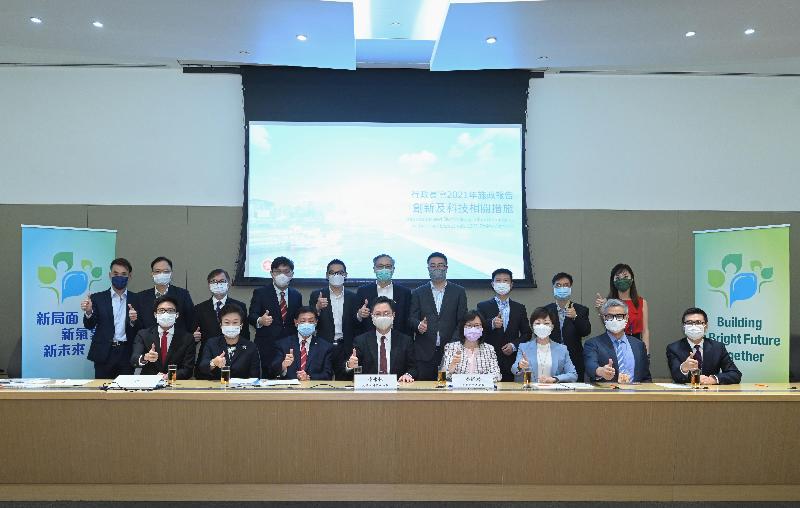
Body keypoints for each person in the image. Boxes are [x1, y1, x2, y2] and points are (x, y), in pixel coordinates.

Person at [409, 252, 467, 380]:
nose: (437, 268)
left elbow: (462, 321)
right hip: (424, 352)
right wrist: (418, 325)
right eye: (433, 266)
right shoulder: (418, 292)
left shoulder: (459, 292)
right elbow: (411, 318)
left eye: (440, 265)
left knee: (448, 390)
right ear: (428, 268)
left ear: (446, 267)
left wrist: (452, 344)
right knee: (424, 391)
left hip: (451, 351)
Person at [81, 258, 141, 378]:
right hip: (104, 353)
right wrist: (88, 312)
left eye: (124, 274)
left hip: (127, 353)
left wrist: (134, 321)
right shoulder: (97, 298)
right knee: (102, 392)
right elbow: (89, 325)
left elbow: (142, 329)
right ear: (110, 275)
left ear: (130, 276)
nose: (119, 277)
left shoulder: (137, 299)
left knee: (125, 392)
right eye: (116, 274)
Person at [248, 256, 303, 375]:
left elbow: (298, 319)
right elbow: (251, 315)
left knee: (289, 377)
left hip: (289, 347)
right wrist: (260, 320)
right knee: (267, 379)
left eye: (286, 271)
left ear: (292, 274)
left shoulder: (297, 295)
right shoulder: (260, 293)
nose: (282, 275)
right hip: (267, 345)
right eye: (278, 271)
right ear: (272, 274)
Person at [192, 268, 249, 378]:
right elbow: (193, 336)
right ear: (209, 285)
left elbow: (245, 335)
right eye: (214, 281)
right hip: (208, 360)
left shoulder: (240, 306)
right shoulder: (199, 308)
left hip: (234, 359)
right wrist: (193, 337)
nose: (218, 284)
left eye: (222, 281)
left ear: (228, 284)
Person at [476, 268, 532, 381]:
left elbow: (527, 333)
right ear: (492, 284)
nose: (502, 283)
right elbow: (477, 329)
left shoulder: (519, 308)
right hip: (488, 359)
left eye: (505, 281)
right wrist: (491, 323)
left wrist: (514, 345)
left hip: (511, 360)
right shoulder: (483, 306)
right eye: (498, 280)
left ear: (511, 285)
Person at [346, 296, 416, 382]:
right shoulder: (361, 341)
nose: (382, 317)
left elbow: (413, 368)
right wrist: (349, 366)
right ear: (372, 316)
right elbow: (350, 372)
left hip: (397, 389)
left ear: (393, 315)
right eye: (378, 314)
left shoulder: (405, 341)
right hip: (370, 390)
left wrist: (408, 375)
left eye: (386, 313)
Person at [309, 259, 359, 378]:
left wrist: (360, 316)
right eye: (332, 272)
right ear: (327, 275)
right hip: (323, 346)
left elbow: (356, 324)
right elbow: (310, 320)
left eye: (340, 273)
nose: (336, 275)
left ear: (345, 275)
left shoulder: (353, 296)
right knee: (321, 381)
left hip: (346, 346)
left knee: (346, 382)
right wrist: (317, 308)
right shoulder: (317, 295)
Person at [666, 307, 742, 385]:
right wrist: (684, 368)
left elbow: (735, 374)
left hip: (711, 394)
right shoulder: (673, 348)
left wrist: (714, 379)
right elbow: (676, 376)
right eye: (689, 322)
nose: (694, 326)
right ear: (684, 326)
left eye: (698, 322)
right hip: (686, 395)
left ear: (706, 326)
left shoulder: (718, 347)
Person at [583, 299, 651, 383]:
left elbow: (646, 377)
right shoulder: (593, 344)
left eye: (619, 316)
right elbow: (590, 365)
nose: (614, 320)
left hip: (634, 394)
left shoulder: (639, 345)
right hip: (608, 394)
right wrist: (600, 371)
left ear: (626, 318)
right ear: (604, 318)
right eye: (610, 316)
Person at [131, 296, 195, 379]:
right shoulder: (143, 334)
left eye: (170, 311)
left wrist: (168, 376)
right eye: (161, 310)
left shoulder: (187, 338)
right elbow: (134, 360)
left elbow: (188, 370)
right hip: (149, 384)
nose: (166, 314)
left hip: (175, 384)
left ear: (177, 315)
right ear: (155, 315)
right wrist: (145, 357)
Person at [543, 272, 592, 381]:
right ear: (553, 288)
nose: (562, 288)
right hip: (550, 359)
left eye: (566, 285)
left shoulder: (581, 309)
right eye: (558, 285)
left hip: (574, 359)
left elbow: (586, 331)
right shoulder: (546, 310)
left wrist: (576, 317)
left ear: (570, 288)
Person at [510, 307, 577, 383]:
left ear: (552, 326)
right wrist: (520, 366)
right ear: (532, 327)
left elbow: (573, 374)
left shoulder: (562, 349)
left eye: (546, 323)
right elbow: (514, 370)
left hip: (552, 392)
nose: (542, 326)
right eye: (538, 323)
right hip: (530, 391)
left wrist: (554, 379)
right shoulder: (524, 347)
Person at [594, 263, 650, 351]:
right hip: (613, 344)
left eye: (625, 276)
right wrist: (601, 310)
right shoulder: (608, 302)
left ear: (632, 279)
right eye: (617, 278)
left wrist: (646, 353)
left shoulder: (641, 302)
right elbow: (607, 326)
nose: (622, 280)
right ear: (613, 281)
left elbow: (645, 331)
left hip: (636, 344)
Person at [198, 303, 261, 380]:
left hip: (242, 390)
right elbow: (202, 368)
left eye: (235, 322)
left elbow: (255, 376)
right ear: (221, 325)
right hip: (216, 389)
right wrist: (213, 363)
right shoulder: (211, 343)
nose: (231, 326)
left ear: (241, 325)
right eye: (227, 322)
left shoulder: (251, 347)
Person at [270, 306, 333, 380]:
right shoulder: (283, 344)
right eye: (303, 321)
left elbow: (328, 374)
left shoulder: (325, 347)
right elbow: (272, 372)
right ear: (296, 322)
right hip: (289, 389)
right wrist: (283, 366)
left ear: (316, 322)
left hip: (313, 389)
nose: (307, 324)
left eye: (311, 321)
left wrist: (309, 378)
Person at [355, 254, 412, 336]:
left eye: (388, 266)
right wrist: (359, 315)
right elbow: (354, 322)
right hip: (370, 341)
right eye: (380, 266)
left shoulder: (405, 293)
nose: (384, 270)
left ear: (393, 269)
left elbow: (408, 320)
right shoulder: (363, 291)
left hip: (398, 342)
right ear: (374, 269)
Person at [136, 256, 194, 334]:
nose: (161, 274)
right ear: (152, 274)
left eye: (166, 271)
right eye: (157, 271)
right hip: (149, 343)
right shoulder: (141, 297)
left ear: (171, 273)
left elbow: (191, 321)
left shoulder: (183, 295)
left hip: (177, 343)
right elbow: (139, 326)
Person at [440, 311, 501, 382]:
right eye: (469, 325)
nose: (473, 329)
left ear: (482, 329)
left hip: (482, 391)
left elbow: (497, 376)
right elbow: (441, 378)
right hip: (457, 391)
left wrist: (474, 381)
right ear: (462, 328)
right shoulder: (451, 347)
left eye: (477, 325)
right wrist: (450, 368)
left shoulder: (489, 349)